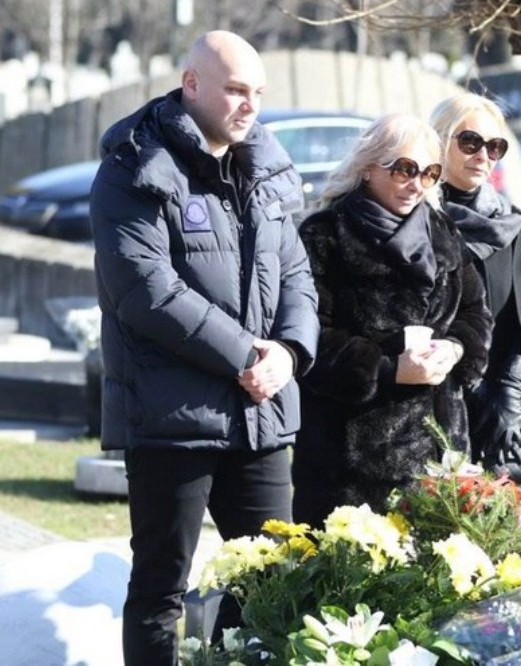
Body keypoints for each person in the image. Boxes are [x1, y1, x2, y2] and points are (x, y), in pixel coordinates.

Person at [89, 31, 319, 665]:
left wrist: (289, 354)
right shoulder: (132, 165)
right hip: (172, 421)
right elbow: (145, 291)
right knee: (163, 588)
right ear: (191, 85)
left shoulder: (266, 165)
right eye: (236, 91)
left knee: (277, 582)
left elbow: (296, 274)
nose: (251, 106)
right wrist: (247, 353)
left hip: (260, 417)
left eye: (259, 94)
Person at [292, 113, 491, 524]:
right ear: (368, 168)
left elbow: (475, 313)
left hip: (440, 455)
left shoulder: (442, 231)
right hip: (351, 461)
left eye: (429, 173)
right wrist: (387, 370)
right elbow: (309, 336)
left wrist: (455, 349)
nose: (416, 183)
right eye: (404, 169)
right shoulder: (325, 236)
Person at [429, 92, 521, 481]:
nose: (483, 155)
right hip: (422, 403)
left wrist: (507, 399)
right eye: (470, 142)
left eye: (495, 146)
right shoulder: (415, 218)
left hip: (494, 413)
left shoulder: (509, 225)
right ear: (440, 140)